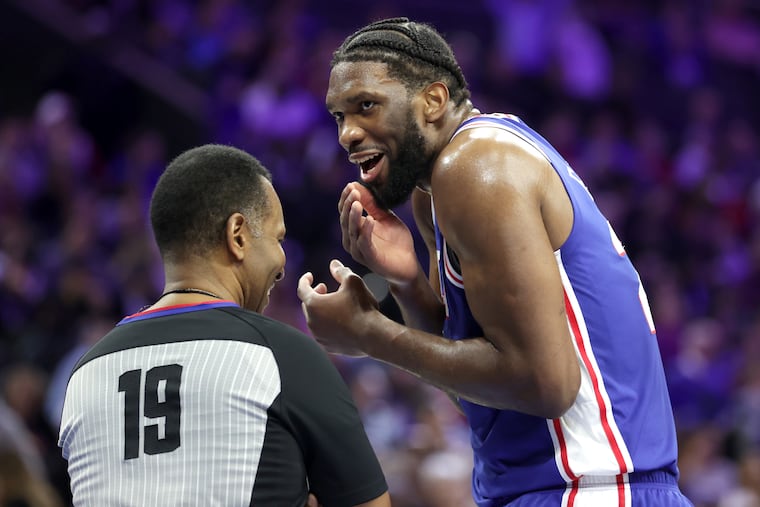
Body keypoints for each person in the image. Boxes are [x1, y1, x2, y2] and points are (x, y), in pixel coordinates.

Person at [297, 17, 693, 507]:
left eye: (366, 107)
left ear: (434, 101)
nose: (348, 134)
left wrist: (370, 336)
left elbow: (545, 384)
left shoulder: (475, 167)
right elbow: (485, 395)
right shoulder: (443, 187)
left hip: (589, 489)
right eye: (339, 116)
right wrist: (409, 287)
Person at [58, 144, 391, 507]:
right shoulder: (282, 357)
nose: (282, 264)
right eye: (279, 239)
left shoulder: (83, 374)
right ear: (238, 235)